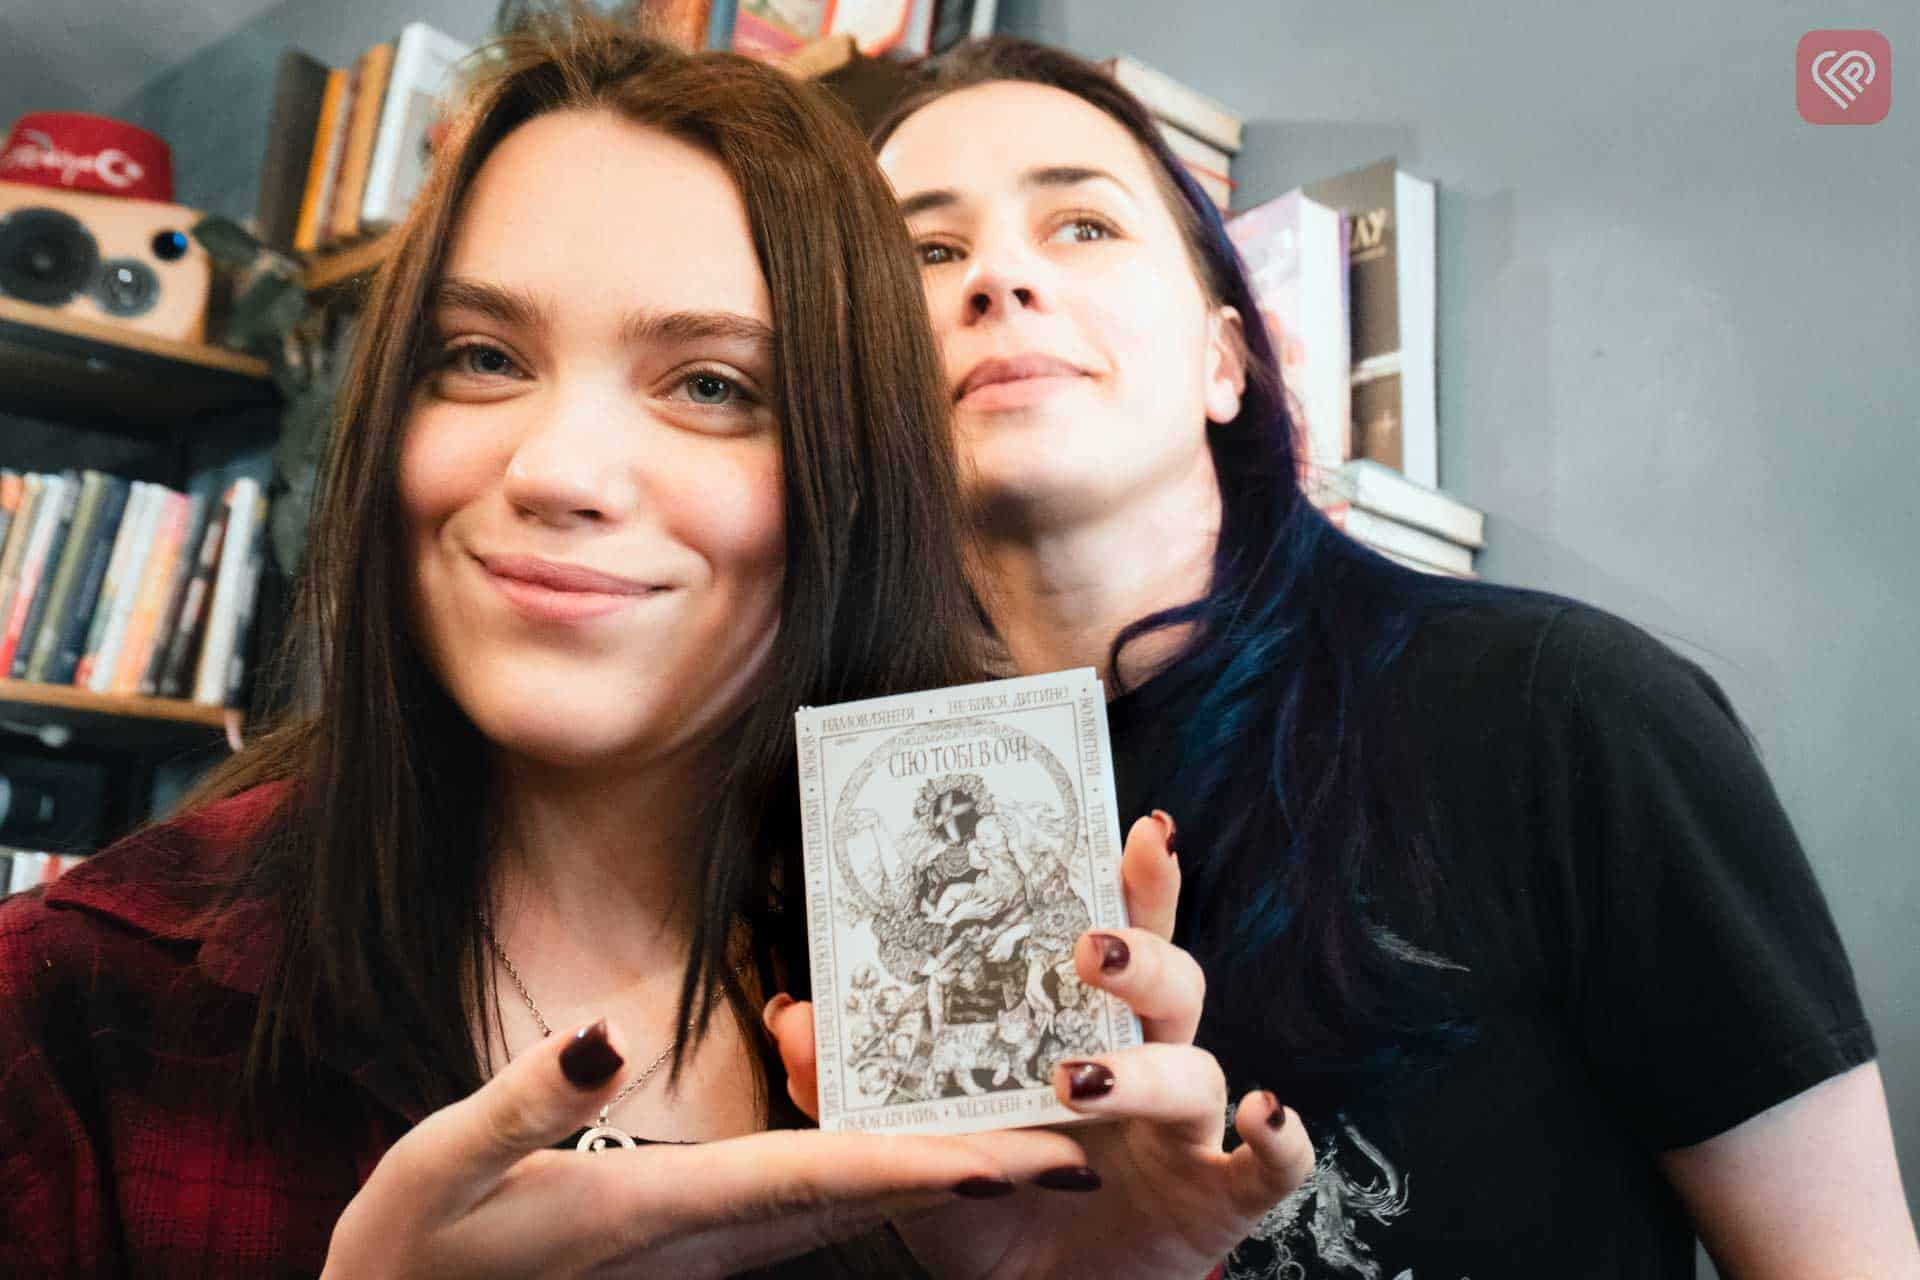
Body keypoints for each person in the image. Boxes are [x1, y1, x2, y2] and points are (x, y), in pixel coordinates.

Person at [0, 20, 1317, 1277]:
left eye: (711, 386)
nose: (558, 469)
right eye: (482, 357)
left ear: (855, 473)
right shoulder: (73, 1003)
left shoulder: (977, 997)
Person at [794, 34, 1920, 1280]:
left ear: (1226, 359)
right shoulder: (834, 838)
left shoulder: (1564, 714)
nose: (999, 277)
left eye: (1084, 226)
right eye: (927, 251)